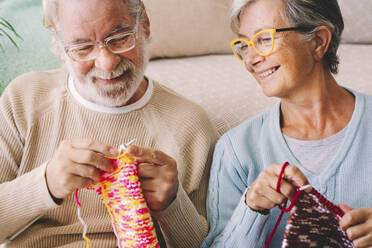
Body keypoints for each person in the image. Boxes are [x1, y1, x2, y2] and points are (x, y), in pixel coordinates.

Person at [0, 0, 217, 247]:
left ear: (144, 23)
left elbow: (207, 242)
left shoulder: (190, 125)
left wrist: (172, 206)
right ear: (59, 44)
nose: (107, 62)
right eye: (82, 47)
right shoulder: (24, 98)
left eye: (120, 38)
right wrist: (46, 184)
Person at [202, 0, 372, 247]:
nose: (250, 59)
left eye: (263, 39)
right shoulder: (236, 149)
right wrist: (251, 209)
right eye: (244, 44)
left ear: (318, 41)